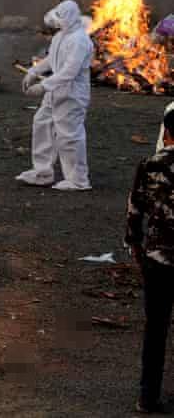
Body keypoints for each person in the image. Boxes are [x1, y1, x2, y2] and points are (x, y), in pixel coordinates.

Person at [125, 109, 174, 414]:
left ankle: (148, 395)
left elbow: (135, 210)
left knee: (155, 330)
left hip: (159, 259)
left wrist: (135, 247)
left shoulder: (150, 164)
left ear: (167, 134)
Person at [17, 0, 94, 191]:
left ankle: (78, 180)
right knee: (42, 123)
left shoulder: (80, 40)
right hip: (56, 91)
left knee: (69, 135)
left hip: (72, 93)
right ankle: (43, 172)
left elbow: (70, 71)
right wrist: (33, 72)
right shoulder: (60, 36)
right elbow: (52, 60)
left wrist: (43, 86)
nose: (57, 21)